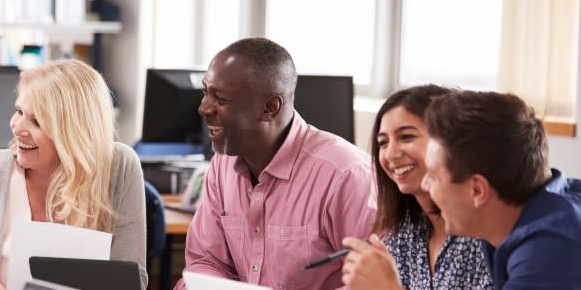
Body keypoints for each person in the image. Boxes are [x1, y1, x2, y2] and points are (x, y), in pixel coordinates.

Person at [173, 37, 376, 290]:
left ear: (270, 107)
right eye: (205, 92)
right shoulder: (222, 165)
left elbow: (374, 283)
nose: (203, 108)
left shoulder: (346, 176)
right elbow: (207, 261)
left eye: (221, 99)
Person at [0, 59, 147, 290]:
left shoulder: (119, 167)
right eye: (19, 111)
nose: (16, 126)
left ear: (74, 132)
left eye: (37, 122)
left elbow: (132, 281)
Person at [420, 91, 581, 289]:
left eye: (433, 176)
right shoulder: (542, 211)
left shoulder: (548, 253)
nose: (424, 185)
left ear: (477, 191)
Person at [340, 86, 493, 290]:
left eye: (406, 137)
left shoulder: (485, 236)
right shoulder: (401, 235)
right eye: (383, 143)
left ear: (447, 142)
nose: (391, 154)